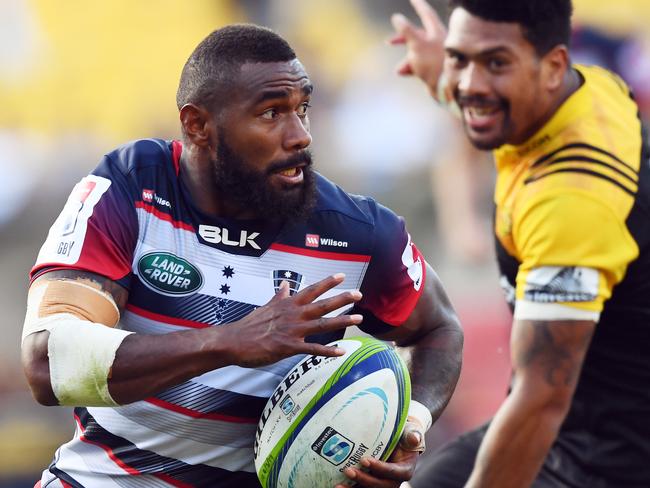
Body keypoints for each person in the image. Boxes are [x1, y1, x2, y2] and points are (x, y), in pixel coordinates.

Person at [21, 24, 463, 488]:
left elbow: (439, 327)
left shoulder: (358, 233)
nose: (300, 136)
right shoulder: (134, 187)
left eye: (303, 109)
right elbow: (47, 363)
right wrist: (230, 342)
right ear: (198, 125)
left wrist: (410, 424)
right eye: (271, 113)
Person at [391, 0, 650, 486]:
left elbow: (541, 400)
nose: (469, 83)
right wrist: (438, 73)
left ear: (553, 66)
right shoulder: (585, 90)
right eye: (459, 58)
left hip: (615, 453)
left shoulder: (572, 202)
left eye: (495, 62)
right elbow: (483, 97)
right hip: (578, 416)